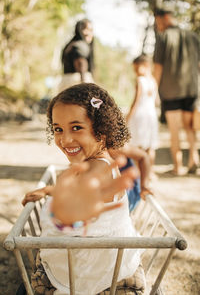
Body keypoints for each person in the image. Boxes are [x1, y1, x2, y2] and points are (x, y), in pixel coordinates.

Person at [22, 83, 146, 295]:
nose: (65, 139)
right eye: (58, 129)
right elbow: (82, 191)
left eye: (76, 127)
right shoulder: (98, 159)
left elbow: (84, 192)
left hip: (90, 271)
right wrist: (50, 190)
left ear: (102, 130)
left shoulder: (98, 168)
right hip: (103, 260)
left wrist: (65, 213)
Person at [153, 7, 200, 175]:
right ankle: (194, 161)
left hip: (171, 91)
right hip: (192, 90)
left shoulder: (162, 37)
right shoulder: (193, 37)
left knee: (174, 130)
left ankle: (178, 166)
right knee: (190, 128)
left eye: (158, 21)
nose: (157, 25)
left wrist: (154, 90)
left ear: (165, 17)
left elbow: (158, 67)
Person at [126, 54, 159, 179]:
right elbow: (156, 100)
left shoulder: (140, 81)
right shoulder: (153, 81)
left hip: (140, 116)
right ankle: (150, 171)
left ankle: (139, 171)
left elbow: (136, 100)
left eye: (136, 68)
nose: (135, 71)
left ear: (145, 66)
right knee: (150, 145)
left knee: (138, 145)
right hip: (151, 115)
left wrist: (128, 116)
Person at [58, 19, 94, 92]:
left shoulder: (70, 45)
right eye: (85, 29)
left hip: (66, 82)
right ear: (79, 30)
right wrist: (85, 84)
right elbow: (80, 62)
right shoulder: (80, 45)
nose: (88, 33)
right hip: (78, 81)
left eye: (91, 30)